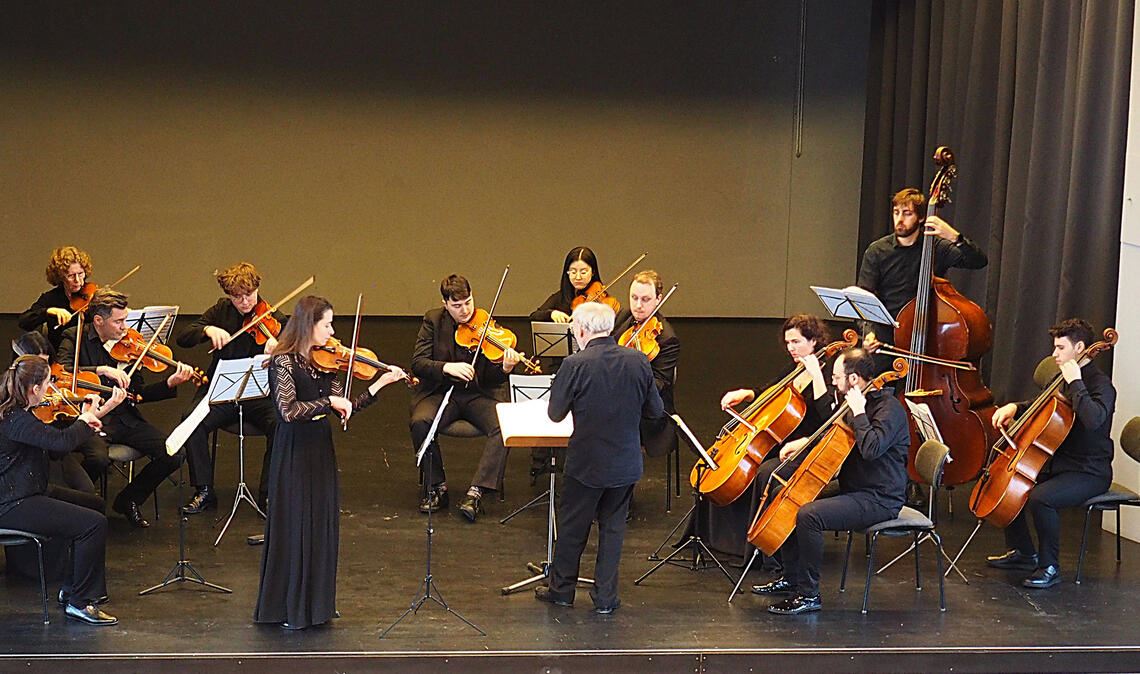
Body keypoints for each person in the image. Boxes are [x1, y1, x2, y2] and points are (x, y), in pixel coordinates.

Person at [253, 295, 406, 630]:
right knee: (294, 524)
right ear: (309, 325)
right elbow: (288, 412)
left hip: (320, 450)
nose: (333, 332)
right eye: (327, 325)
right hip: (293, 451)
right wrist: (327, 401)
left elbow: (344, 407)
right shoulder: (284, 362)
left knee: (319, 524)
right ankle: (287, 606)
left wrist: (379, 383)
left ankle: (314, 606)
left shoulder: (327, 363)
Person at [752, 347, 909, 615]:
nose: (832, 382)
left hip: (880, 497)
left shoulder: (888, 409)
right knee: (786, 492)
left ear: (855, 379)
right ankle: (791, 577)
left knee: (810, 515)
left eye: (836, 377)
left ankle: (809, 594)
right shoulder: (852, 400)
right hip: (854, 488)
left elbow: (872, 449)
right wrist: (806, 442)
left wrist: (859, 414)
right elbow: (835, 433)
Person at [535, 302, 664, 614]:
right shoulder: (638, 361)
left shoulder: (574, 363)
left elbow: (555, 414)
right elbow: (656, 412)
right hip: (625, 462)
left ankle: (562, 591)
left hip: (586, 464)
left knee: (572, 528)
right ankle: (605, 598)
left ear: (580, 330)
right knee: (613, 530)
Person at [691, 315, 833, 567]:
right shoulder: (794, 367)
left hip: (804, 445)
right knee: (723, 467)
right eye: (788, 342)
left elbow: (829, 417)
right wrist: (746, 393)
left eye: (797, 342)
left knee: (762, 472)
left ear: (814, 341)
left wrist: (817, 378)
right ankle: (718, 540)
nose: (791, 348)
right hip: (778, 439)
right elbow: (770, 390)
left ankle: (760, 548)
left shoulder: (829, 372)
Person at [985, 319, 1116, 588]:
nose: (1054, 354)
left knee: (1041, 498)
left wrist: (1076, 383)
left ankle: (1050, 566)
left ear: (1080, 347)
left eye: (1060, 348)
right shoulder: (1062, 379)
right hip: (1060, 464)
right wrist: (1014, 407)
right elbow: (1042, 404)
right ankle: (1024, 552)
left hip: (1089, 471)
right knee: (1012, 486)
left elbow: (1094, 419)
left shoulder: (1100, 385)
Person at [0, 355, 126, 625]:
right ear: (34, 389)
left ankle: (74, 588)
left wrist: (96, 414)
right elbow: (60, 443)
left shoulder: (21, 413)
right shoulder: (15, 421)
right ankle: (80, 602)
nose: (51, 390)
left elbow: (58, 444)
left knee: (93, 505)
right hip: (12, 503)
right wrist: (84, 420)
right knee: (93, 524)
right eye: (48, 383)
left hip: (29, 491)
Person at [56, 288, 196, 528]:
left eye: (125, 320)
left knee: (174, 454)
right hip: (91, 418)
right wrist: (100, 369)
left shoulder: (126, 346)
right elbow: (62, 374)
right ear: (98, 321)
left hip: (124, 419)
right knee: (99, 458)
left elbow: (138, 394)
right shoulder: (74, 336)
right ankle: (78, 504)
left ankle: (129, 499)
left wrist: (169, 383)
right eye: (118, 321)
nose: (124, 328)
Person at [409, 274, 522, 522]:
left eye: (468, 302)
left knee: (504, 426)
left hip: (476, 395)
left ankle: (477, 491)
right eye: (457, 306)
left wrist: (504, 368)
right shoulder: (433, 321)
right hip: (441, 392)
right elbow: (418, 363)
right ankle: (436, 486)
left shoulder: (485, 323)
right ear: (445, 303)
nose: (465, 311)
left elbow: (492, 378)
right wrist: (446, 368)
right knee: (420, 422)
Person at [175, 262, 285, 514]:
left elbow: (295, 353)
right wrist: (207, 329)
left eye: (248, 295)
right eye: (237, 297)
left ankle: (268, 495)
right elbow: (184, 336)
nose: (244, 302)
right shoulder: (220, 310)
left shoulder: (274, 318)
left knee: (281, 425)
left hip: (259, 392)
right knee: (191, 421)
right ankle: (204, 491)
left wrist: (279, 349)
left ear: (257, 288)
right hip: (222, 389)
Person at [857, 188, 988, 350]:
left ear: (921, 218)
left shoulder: (936, 247)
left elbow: (978, 261)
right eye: (896, 212)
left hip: (927, 342)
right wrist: (869, 333)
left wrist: (954, 237)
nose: (899, 219)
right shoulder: (877, 251)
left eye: (907, 213)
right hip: (885, 342)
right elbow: (863, 298)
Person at [11, 331, 96, 494]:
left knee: (87, 490)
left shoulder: (46, 387)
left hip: (53, 445)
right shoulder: (13, 404)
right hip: (30, 457)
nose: (45, 376)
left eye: (46, 364)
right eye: (37, 366)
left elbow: (60, 441)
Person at [612, 270, 680, 460]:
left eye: (645, 299)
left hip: (647, 410)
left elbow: (660, 383)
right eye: (634, 298)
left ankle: (619, 483)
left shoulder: (667, 339)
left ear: (658, 299)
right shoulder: (623, 317)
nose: (638, 306)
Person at [18, 246, 96, 350]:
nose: (77, 280)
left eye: (80, 274)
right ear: (61, 277)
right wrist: (49, 311)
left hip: (90, 354)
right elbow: (24, 322)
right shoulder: (51, 298)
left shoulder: (94, 295)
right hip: (59, 355)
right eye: (71, 276)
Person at [530, 246, 615, 324]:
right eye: (573, 272)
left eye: (583, 272)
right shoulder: (560, 297)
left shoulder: (600, 297)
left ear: (593, 272)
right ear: (567, 273)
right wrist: (551, 314)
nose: (578, 277)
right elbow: (534, 316)